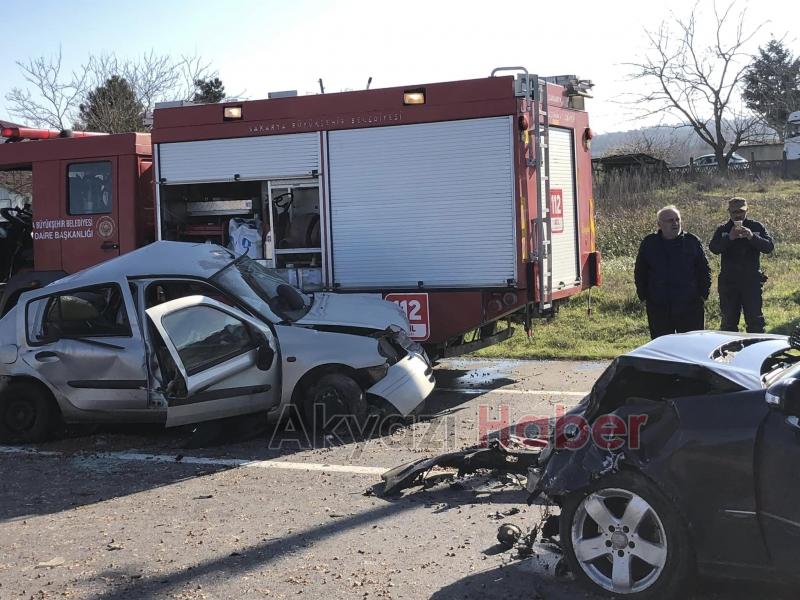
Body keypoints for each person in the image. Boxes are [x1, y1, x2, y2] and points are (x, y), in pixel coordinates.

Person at [634, 205, 711, 339]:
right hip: (659, 307)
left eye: (677, 219)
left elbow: (704, 270)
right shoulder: (650, 243)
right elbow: (640, 271)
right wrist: (644, 296)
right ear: (659, 224)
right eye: (670, 220)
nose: (675, 223)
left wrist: (702, 295)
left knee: (691, 346)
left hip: (689, 306)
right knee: (662, 348)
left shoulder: (692, 242)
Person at [708, 197, 774, 333]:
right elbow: (714, 248)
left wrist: (752, 237)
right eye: (734, 212)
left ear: (747, 210)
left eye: (741, 211)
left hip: (751, 282)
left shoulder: (756, 227)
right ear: (729, 212)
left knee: (755, 322)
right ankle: (730, 353)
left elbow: (769, 247)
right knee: (728, 323)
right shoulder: (723, 229)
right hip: (729, 283)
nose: (738, 215)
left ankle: (756, 352)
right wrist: (729, 238)